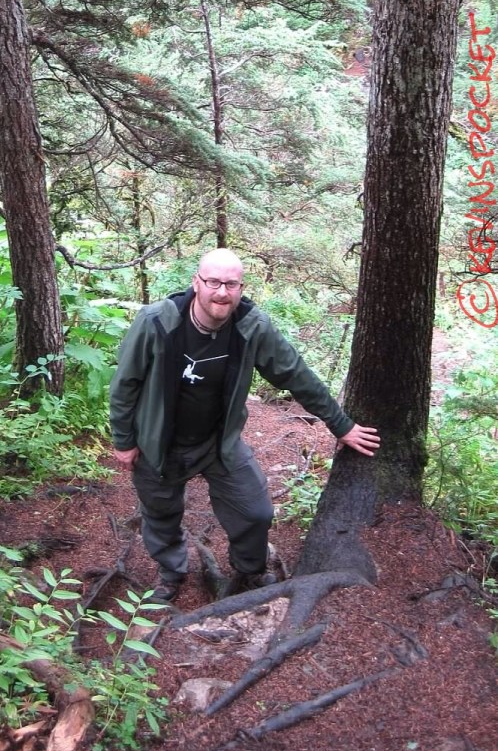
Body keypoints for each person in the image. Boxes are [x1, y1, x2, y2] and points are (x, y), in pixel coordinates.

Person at [109, 248, 380, 602]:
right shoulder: (156, 322)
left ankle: (250, 570)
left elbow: (295, 375)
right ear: (196, 283)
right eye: (213, 282)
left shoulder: (251, 327)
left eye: (231, 284)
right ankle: (171, 573)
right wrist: (124, 440)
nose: (222, 292)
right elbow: (125, 384)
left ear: (241, 288)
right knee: (161, 513)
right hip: (159, 443)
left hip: (218, 442)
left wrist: (340, 424)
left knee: (256, 511)